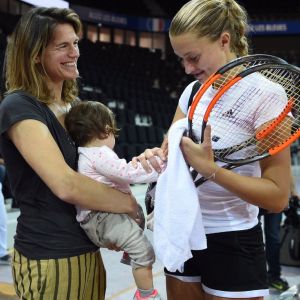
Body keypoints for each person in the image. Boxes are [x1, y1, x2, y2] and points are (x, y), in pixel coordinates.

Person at [135, 0, 291, 299]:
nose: (188, 69)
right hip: (182, 230)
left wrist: (212, 170)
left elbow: (277, 197)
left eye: (193, 57)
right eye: (182, 59)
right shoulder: (192, 92)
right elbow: (171, 155)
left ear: (224, 40)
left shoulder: (267, 95)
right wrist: (155, 157)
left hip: (233, 240)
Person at [0, 7, 139, 300]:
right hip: (50, 254)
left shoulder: (74, 107)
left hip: (87, 248)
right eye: (62, 46)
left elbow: (98, 170)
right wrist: (128, 204)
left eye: (75, 43)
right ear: (36, 54)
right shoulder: (19, 106)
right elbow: (66, 184)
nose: (74, 52)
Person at [65, 100, 164, 300]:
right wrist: (161, 170)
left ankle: (130, 251)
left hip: (99, 218)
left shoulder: (84, 152)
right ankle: (146, 295)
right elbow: (127, 174)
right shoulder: (99, 153)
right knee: (145, 252)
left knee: (138, 215)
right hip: (102, 218)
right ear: (106, 130)